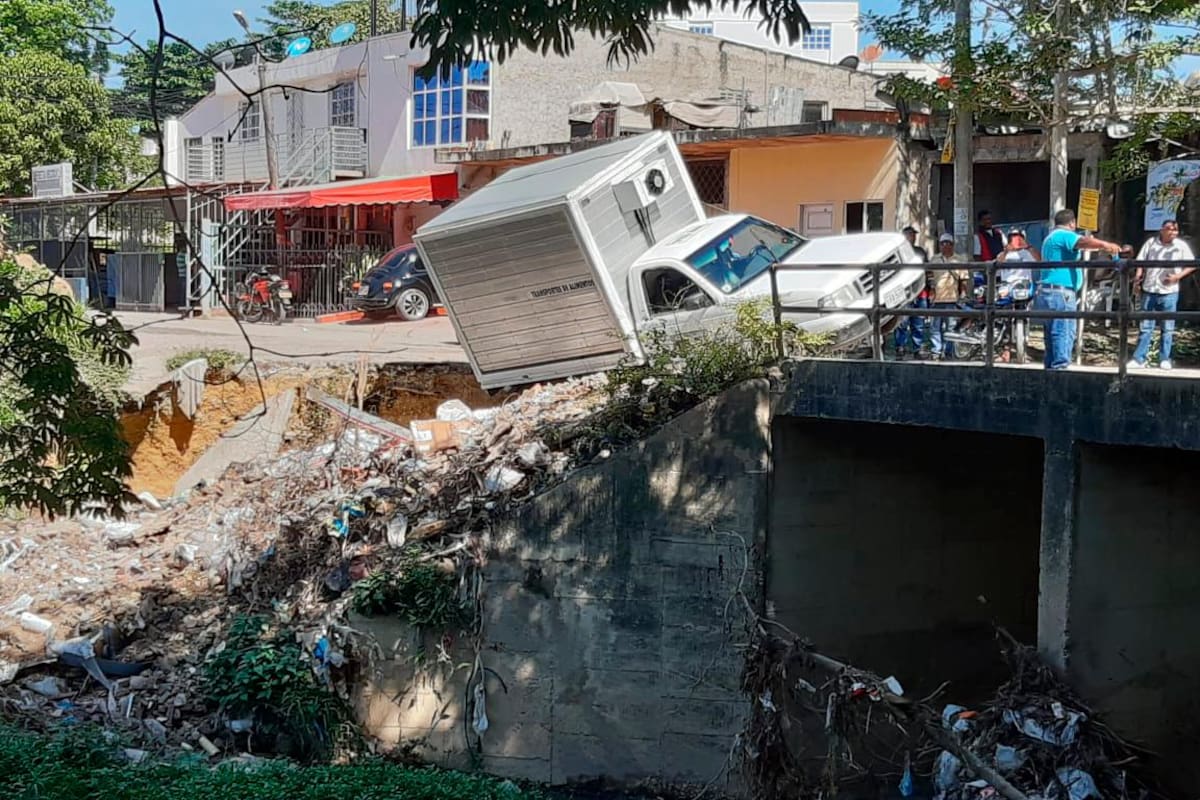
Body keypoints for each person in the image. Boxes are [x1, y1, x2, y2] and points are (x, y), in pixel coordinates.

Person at [1035, 209, 1125, 370]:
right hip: (1061, 293)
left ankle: (1050, 371)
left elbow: (1083, 246)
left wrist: (1096, 246)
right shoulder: (1064, 235)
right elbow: (1082, 242)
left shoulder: (1050, 238)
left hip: (1047, 292)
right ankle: (1060, 371)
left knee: (1052, 335)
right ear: (1072, 223)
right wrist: (1106, 245)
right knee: (1064, 332)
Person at [1128, 219, 1195, 370]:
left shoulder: (1180, 246)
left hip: (1169, 291)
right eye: (1170, 229)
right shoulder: (1151, 243)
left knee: (1168, 327)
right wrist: (1138, 279)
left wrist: (1177, 277)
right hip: (1150, 288)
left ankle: (1165, 358)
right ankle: (1139, 358)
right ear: (1162, 230)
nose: (1173, 232)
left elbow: (1192, 264)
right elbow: (1141, 261)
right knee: (1145, 326)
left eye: (1175, 230)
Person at [929, 233, 968, 359]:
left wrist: (962, 294)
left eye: (948, 243)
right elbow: (929, 276)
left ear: (952, 245)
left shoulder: (960, 259)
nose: (945, 246)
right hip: (937, 299)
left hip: (952, 298)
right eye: (943, 243)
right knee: (935, 327)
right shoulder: (934, 259)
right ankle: (936, 351)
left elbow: (964, 280)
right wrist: (931, 290)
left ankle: (948, 352)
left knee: (951, 328)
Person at [894, 225, 931, 358]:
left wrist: (929, 289)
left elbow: (928, 271)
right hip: (903, 293)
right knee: (902, 322)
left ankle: (917, 348)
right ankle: (900, 347)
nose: (913, 237)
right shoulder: (898, 252)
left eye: (914, 234)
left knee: (918, 323)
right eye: (910, 234)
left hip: (920, 291)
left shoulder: (920, 252)